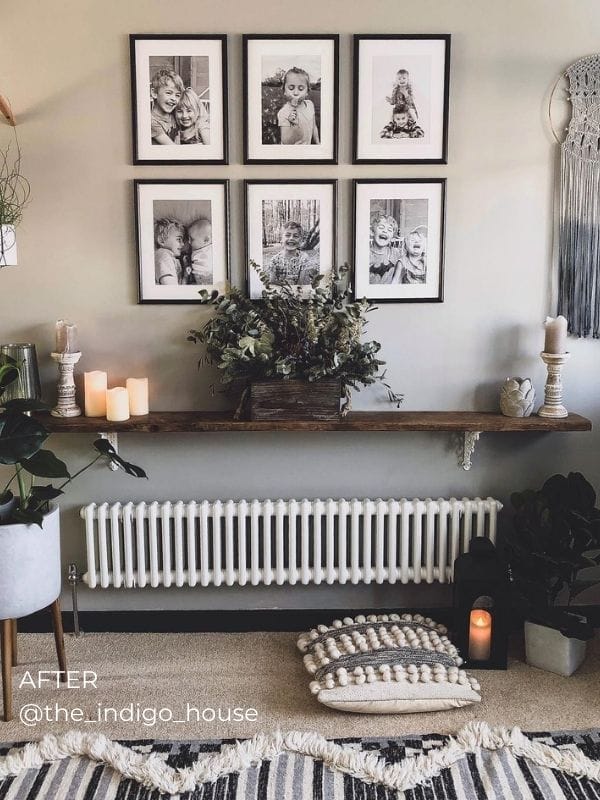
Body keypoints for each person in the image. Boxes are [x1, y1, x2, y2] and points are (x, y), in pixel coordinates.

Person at [277, 67, 320, 145]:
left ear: (307, 92)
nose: (296, 93)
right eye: (291, 88)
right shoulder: (283, 112)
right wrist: (291, 124)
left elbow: (314, 126)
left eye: (301, 89)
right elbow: (285, 141)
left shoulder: (310, 105)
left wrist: (317, 142)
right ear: (284, 91)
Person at [267, 220, 316, 285]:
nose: (291, 238)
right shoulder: (274, 260)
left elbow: (301, 283)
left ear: (300, 240)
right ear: (281, 238)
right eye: (287, 235)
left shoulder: (303, 258)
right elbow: (272, 283)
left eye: (295, 236)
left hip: (298, 292)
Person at [150, 69, 184, 145]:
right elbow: (172, 149)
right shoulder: (152, 122)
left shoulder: (174, 115)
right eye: (169, 93)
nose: (174, 99)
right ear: (154, 93)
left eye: (177, 95)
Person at [368, 213, 402, 284]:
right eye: (381, 227)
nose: (385, 231)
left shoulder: (395, 253)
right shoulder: (366, 253)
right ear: (372, 232)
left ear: (392, 237)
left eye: (389, 230)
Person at [154, 218, 185, 285]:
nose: (183, 244)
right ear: (162, 240)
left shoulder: (169, 256)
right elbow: (170, 286)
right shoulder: (163, 255)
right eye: (179, 239)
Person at [185, 218, 213, 284]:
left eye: (192, 239)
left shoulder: (210, 249)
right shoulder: (194, 249)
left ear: (206, 240)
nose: (188, 242)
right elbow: (193, 261)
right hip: (197, 276)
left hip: (208, 275)